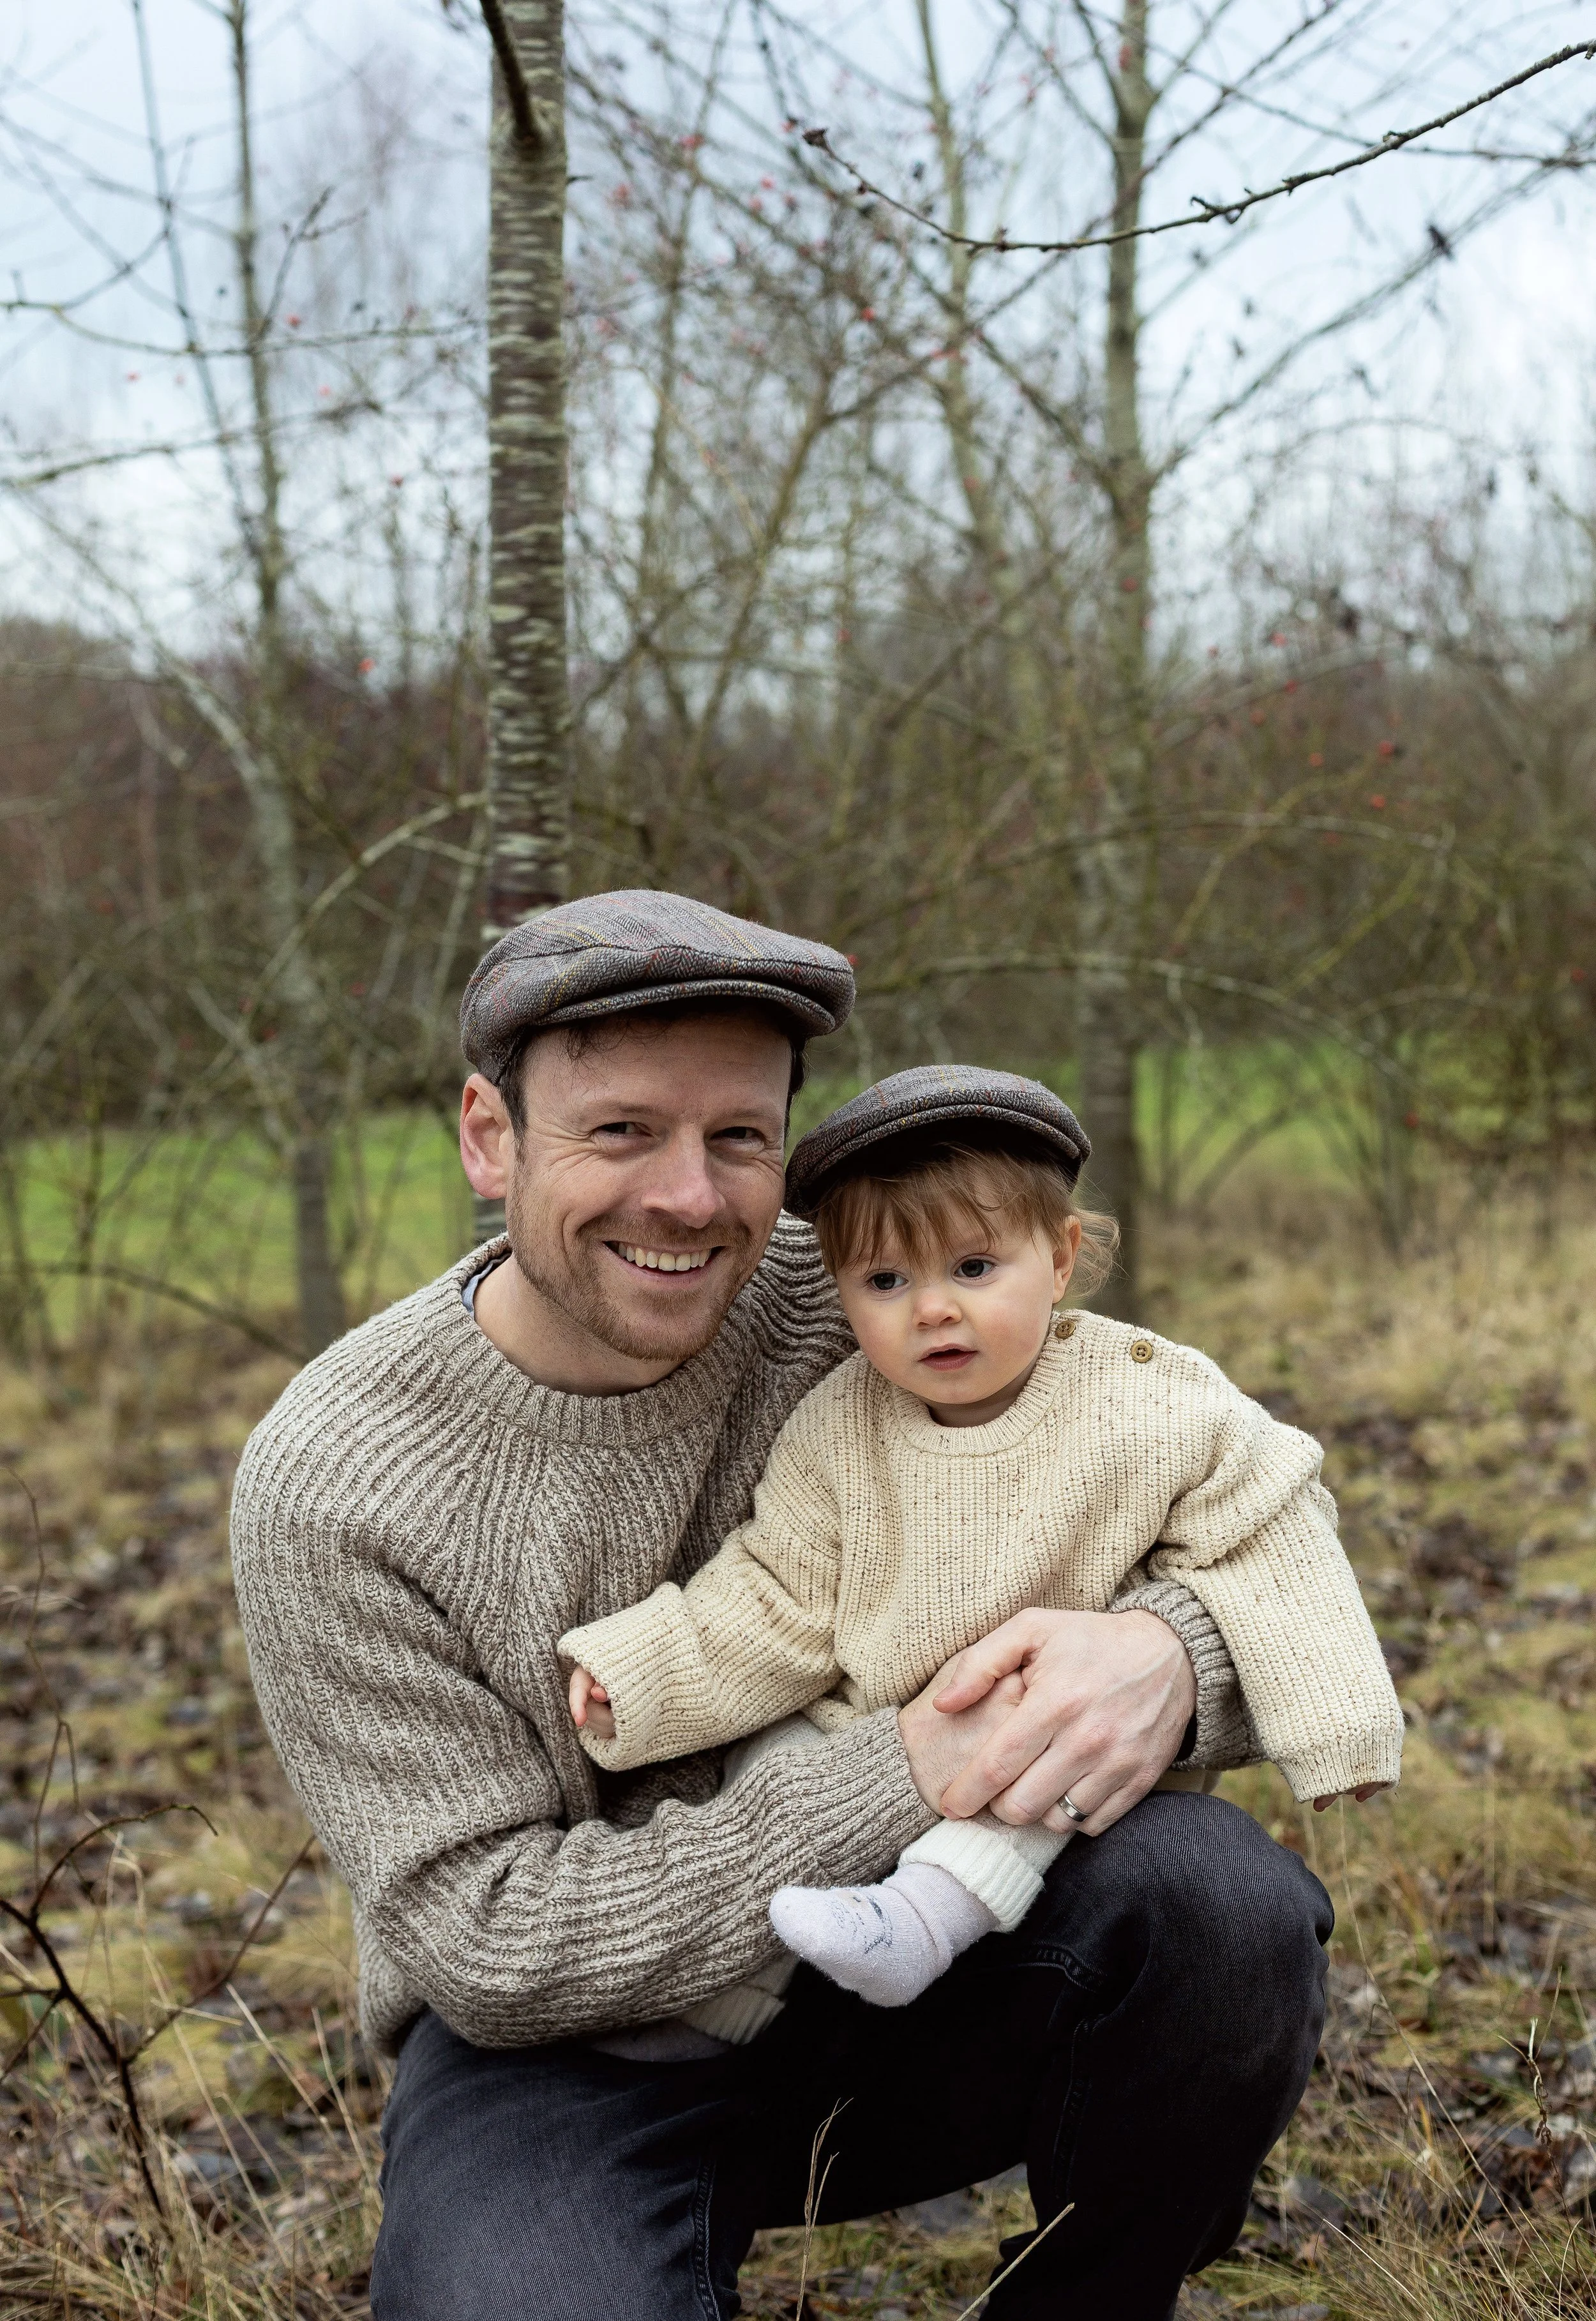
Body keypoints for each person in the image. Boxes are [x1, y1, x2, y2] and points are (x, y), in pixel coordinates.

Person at [229, 890, 1337, 2321]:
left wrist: (1168, 1658)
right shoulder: (337, 1480)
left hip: (939, 1958)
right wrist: (903, 1771)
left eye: (738, 1138)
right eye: (621, 1131)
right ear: (488, 1138)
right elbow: (490, 1943)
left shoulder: (873, 1289)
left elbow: (1239, 1513)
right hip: (570, 2058)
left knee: (1218, 1908)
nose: (690, 1199)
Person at [561, 1067, 1402, 2018]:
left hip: (1060, 1742)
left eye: (973, 1269)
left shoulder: (1150, 1400)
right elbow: (774, 1595)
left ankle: (920, 1922)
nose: (932, 1309)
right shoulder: (841, 1426)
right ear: (840, 1293)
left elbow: (1271, 1533)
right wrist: (642, 1674)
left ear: (1059, 1254)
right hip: (872, 1736)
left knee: (1026, 1777)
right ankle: (741, 1997)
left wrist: (1341, 1730)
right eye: (886, 1281)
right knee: (774, 1767)